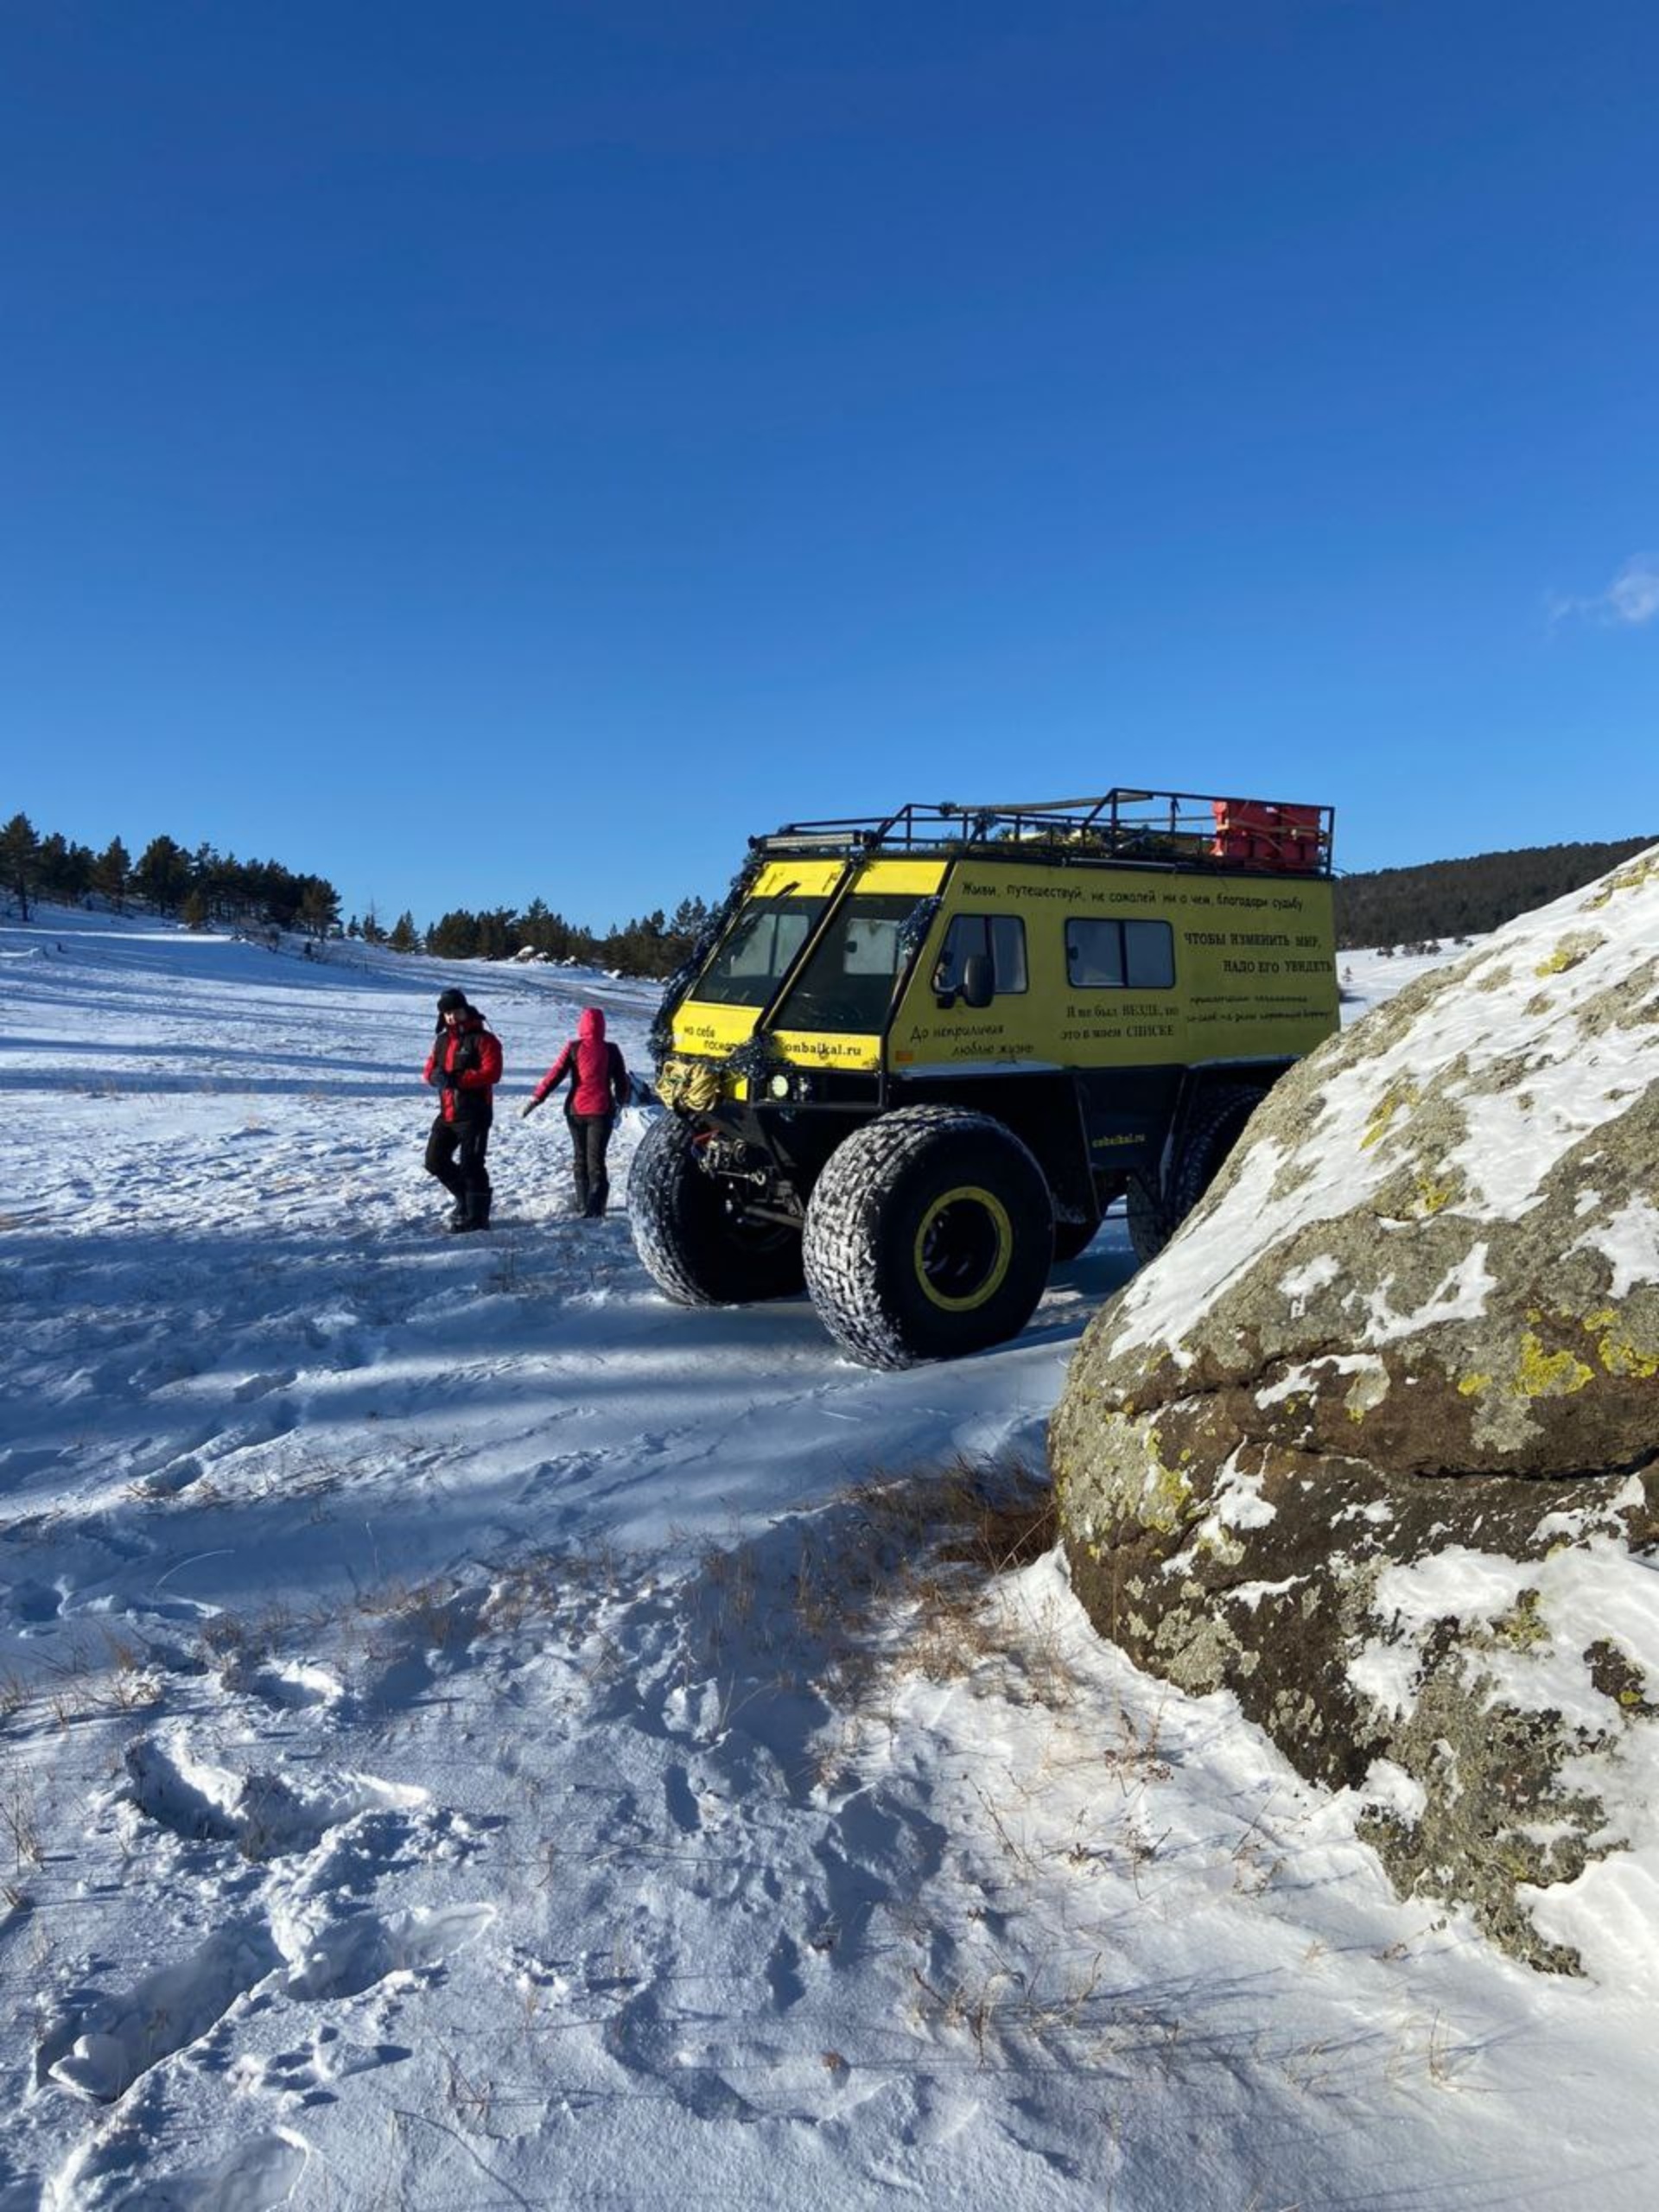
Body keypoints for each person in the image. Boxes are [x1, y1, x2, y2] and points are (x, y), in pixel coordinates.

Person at [520, 1006, 630, 1217]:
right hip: (601, 1110)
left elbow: (555, 1075)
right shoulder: (612, 1049)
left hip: (575, 1110)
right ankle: (596, 1208)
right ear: (603, 1026)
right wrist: (620, 1103)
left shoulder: (573, 1047)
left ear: (581, 1025)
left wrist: (536, 1099)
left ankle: (583, 1204)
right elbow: (621, 1081)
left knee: (580, 1157)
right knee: (596, 1160)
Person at [423, 988, 503, 1232]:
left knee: (472, 1165)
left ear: (465, 1010)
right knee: (434, 1161)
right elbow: (429, 1070)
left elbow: (492, 1073)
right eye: (446, 1013)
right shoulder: (442, 1040)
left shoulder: (484, 1039)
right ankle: (465, 1201)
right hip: (447, 1113)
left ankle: (478, 1218)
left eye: (455, 1011)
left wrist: (456, 1079)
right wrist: (433, 1077)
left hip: (475, 1113)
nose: (451, 1018)